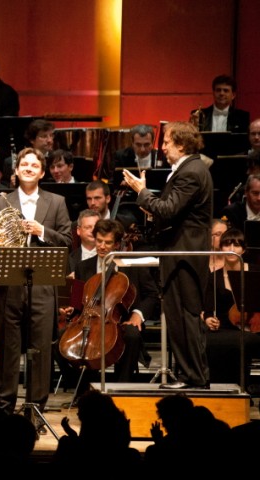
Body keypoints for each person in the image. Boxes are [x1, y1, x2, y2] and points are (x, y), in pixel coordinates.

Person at [123, 120, 213, 389]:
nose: (161, 148)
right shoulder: (188, 169)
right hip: (179, 251)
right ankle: (190, 376)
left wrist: (142, 192)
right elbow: (171, 210)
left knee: (185, 316)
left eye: (166, 142)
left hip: (185, 254)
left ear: (182, 144)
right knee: (177, 316)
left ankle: (195, 378)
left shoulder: (191, 172)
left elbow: (168, 209)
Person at [0, 147, 72, 424]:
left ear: (42, 171)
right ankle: (2, 410)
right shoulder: (1, 202)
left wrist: (42, 231)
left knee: (39, 350)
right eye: (24, 164)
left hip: (42, 287)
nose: (28, 168)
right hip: (8, 286)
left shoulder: (56, 202)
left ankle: (35, 413)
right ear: (16, 169)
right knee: (7, 350)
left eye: (34, 165)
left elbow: (68, 241)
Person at [69, 219, 158, 383]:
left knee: (132, 336)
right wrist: (70, 309)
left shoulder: (132, 265)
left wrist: (138, 315)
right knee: (61, 339)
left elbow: (152, 294)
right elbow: (78, 302)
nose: (102, 246)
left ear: (117, 244)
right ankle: (85, 388)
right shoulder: (83, 267)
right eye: (99, 241)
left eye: (108, 242)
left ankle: (121, 386)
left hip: (121, 321)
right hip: (90, 320)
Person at [202, 228, 260, 387]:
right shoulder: (214, 277)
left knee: (243, 341)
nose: (232, 249)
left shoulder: (256, 272)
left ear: (244, 249)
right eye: (227, 245)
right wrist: (208, 319)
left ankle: (242, 388)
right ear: (221, 248)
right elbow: (208, 309)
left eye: (236, 245)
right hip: (224, 328)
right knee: (210, 341)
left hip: (253, 328)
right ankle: (220, 390)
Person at [2, 119, 55, 187]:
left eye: (51, 136)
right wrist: (12, 186)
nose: (50, 140)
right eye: (44, 136)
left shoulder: (57, 161)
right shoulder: (11, 162)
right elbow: (3, 189)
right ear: (32, 140)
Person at [68, 209, 100, 274]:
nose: (93, 231)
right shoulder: (69, 259)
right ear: (78, 230)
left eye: (96, 227)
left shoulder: (110, 256)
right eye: (88, 227)